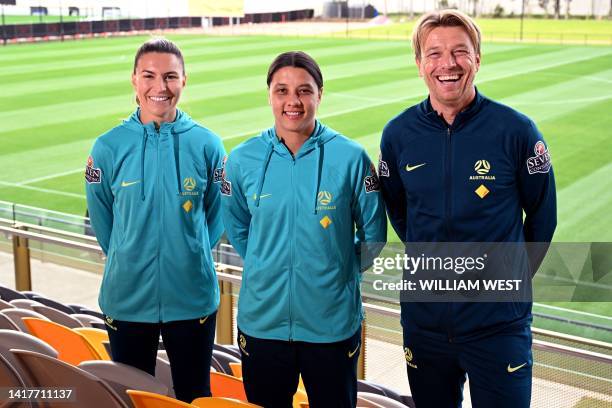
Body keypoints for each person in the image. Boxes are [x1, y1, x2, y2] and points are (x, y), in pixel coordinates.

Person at [378, 10, 556, 408]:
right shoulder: (398, 135)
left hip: (498, 327)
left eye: (460, 51)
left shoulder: (516, 131)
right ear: (420, 64)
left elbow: (543, 217)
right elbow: (401, 213)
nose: (448, 64)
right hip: (425, 324)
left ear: (478, 58)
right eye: (434, 53)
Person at [221, 51, 387, 408]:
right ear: (269, 95)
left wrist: (336, 269)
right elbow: (235, 225)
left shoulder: (351, 157)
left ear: (319, 94)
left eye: (304, 90)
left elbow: (374, 234)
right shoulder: (242, 159)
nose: (292, 101)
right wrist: (266, 264)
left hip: (331, 327)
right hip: (262, 324)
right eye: (282, 90)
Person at [85, 38, 225, 403]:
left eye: (170, 77)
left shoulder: (209, 145)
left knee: (196, 395)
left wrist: (189, 253)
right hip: (127, 298)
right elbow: (103, 225)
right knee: (132, 397)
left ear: (184, 80)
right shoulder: (107, 147)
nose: (160, 87)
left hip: (192, 298)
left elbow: (217, 214)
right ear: (134, 79)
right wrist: (128, 255)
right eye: (149, 75)